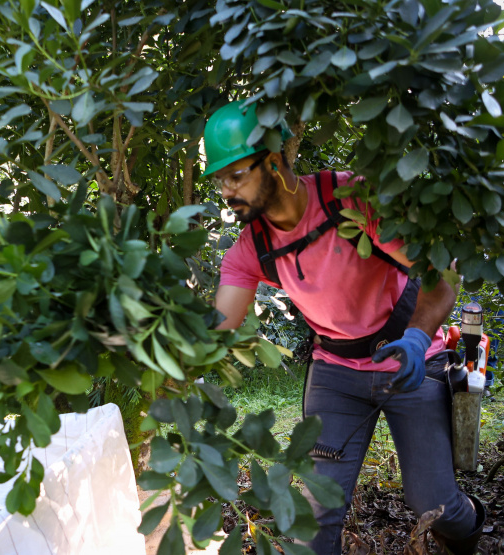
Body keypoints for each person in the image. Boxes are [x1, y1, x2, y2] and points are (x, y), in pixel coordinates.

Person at [204, 101, 485, 554]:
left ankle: (469, 528)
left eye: (235, 175)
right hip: (336, 373)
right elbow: (217, 332)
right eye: (220, 180)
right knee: (311, 522)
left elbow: (443, 272)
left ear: (273, 161)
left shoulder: (352, 200)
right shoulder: (249, 248)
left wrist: (415, 340)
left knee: (435, 504)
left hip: (411, 362)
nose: (226, 191)